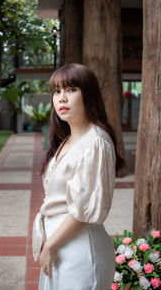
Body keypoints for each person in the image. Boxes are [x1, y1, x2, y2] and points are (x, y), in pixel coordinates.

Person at [32, 63, 125, 290]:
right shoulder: (67, 139)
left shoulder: (95, 142)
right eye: (57, 91)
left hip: (79, 248)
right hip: (60, 246)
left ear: (88, 94)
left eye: (71, 89)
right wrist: (49, 243)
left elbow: (82, 210)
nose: (62, 98)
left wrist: (50, 246)